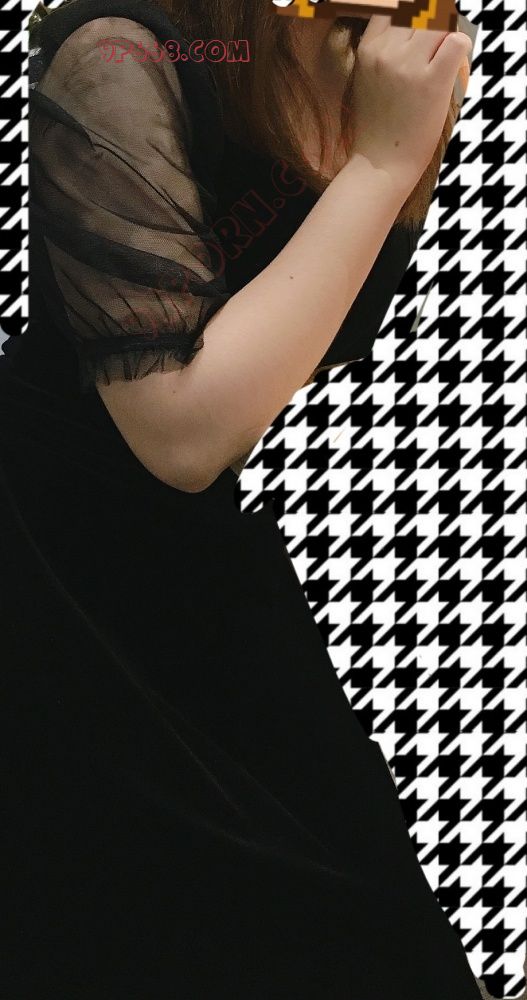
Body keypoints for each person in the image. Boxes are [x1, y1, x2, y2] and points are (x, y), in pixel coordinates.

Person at [1, 0, 480, 996]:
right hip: (43, 559)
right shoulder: (120, 52)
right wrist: (380, 164)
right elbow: (177, 432)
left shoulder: (378, 50)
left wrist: (388, 144)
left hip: (180, 542)